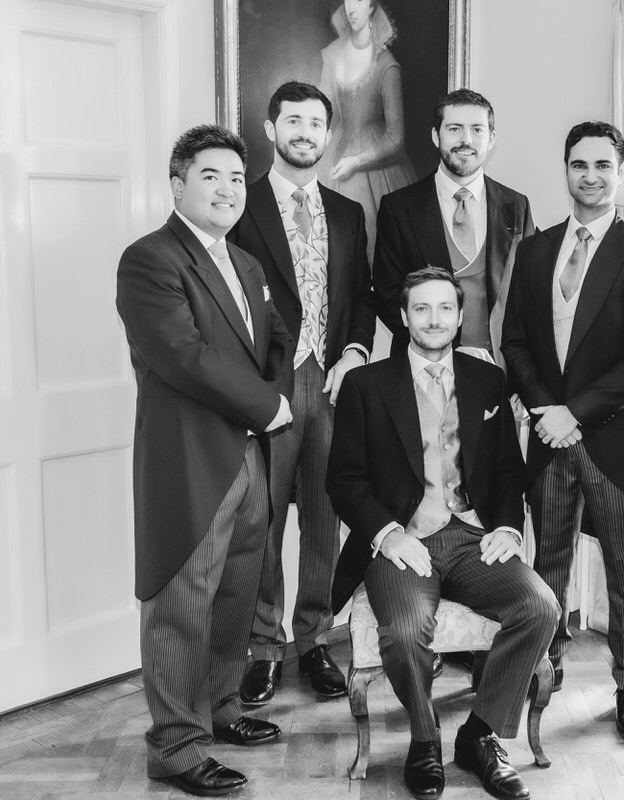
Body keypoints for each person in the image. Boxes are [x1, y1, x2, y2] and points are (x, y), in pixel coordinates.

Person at [327, 267, 559, 800]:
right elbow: (343, 479)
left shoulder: (488, 381)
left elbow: (506, 469)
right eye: (422, 309)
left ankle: (479, 737)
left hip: (473, 535)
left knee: (540, 607)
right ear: (404, 317)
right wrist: (386, 533)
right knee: (407, 630)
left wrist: (505, 525)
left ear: (459, 317)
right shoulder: (366, 385)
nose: (434, 320)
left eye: (445, 309)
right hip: (402, 541)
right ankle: (425, 741)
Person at [115, 124, 295, 796]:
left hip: (249, 460)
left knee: (234, 596)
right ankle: (175, 745)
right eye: (209, 176)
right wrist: (268, 407)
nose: (225, 189)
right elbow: (182, 355)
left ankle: (219, 710)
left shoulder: (245, 263)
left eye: (233, 179)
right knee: (179, 606)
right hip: (189, 461)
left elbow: (277, 336)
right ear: (178, 184)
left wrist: (271, 397)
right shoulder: (149, 260)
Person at [501, 121, 624, 744]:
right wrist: (545, 410)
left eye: (602, 164)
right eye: (578, 164)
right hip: (547, 436)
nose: (590, 175)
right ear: (565, 169)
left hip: (611, 437)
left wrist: (578, 413)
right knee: (549, 562)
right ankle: (546, 662)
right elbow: (514, 342)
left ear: (620, 171)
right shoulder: (535, 250)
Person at [228, 81, 374, 708]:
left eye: (317, 123)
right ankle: (264, 649)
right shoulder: (242, 204)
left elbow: (362, 299)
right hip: (269, 389)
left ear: (327, 133)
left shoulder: (347, 213)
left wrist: (353, 354)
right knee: (262, 520)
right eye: (294, 121)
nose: (306, 133)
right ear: (271, 128)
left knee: (324, 519)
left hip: (333, 386)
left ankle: (314, 640)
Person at [374, 89, 535, 362]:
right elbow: (388, 295)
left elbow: (531, 292)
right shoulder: (399, 207)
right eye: (454, 129)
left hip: (501, 371)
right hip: (422, 369)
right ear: (436, 136)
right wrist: (443, 350)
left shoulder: (517, 205)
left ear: (491, 138)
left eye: (477, 130)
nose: (466, 140)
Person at [317, 0, 416, 253]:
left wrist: (355, 162)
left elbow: (395, 138)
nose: (351, 8)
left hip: (376, 164)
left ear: (372, 7)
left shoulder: (386, 64)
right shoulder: (332, 54)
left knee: (371, 242)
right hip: (334, 152)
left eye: (359, 0)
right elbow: (321, 113)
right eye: (348, 0)